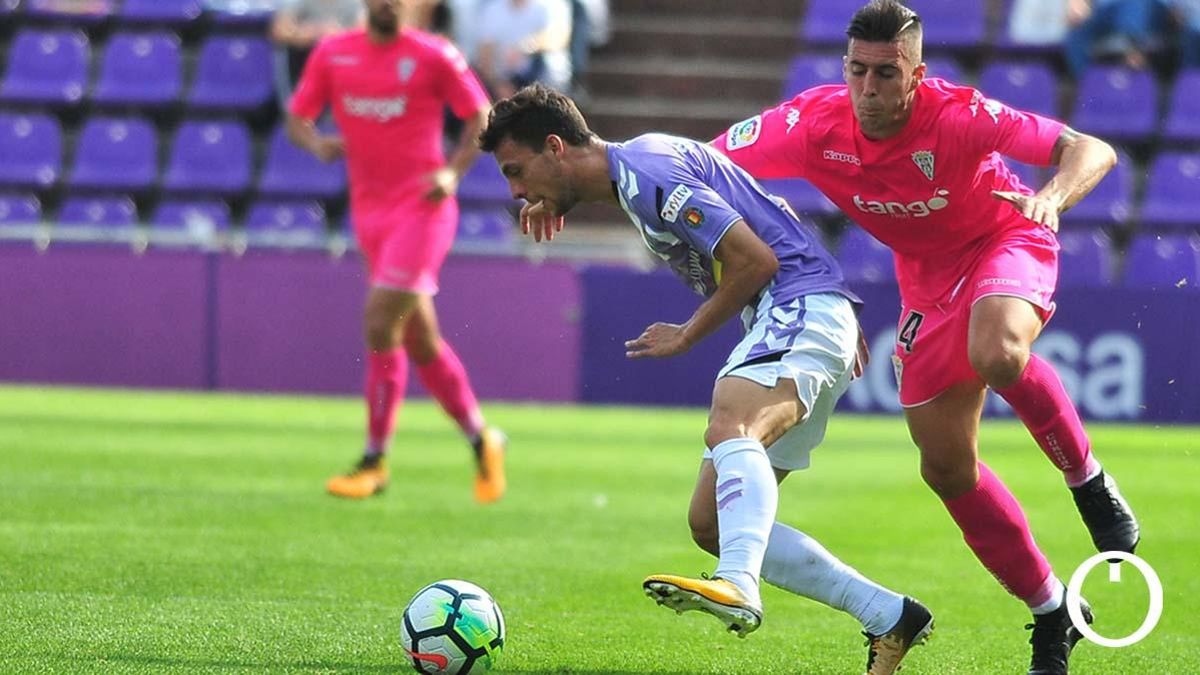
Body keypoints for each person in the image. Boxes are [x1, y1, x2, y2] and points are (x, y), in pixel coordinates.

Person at [708, 2, 1138, 673]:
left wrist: (1051, 197)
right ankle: (1053, 610)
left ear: (917, 74)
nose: (870, 89)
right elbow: (696, 166)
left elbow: (1092, 149)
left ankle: (1089, 481)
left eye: (887, 73)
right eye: (858, 71)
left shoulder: (960, 114)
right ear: (844, 68)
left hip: (1003, 237)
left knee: (996, 352)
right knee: (944, 466)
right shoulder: (810, 123)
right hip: (926, 285)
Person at [479, 83, 934, 675]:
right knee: (712, 522)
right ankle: (888, 615)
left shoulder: (647, 172)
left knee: (731, 421)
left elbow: (757, 259)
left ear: (556, 147)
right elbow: (764, 211)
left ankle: (740, 584)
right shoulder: (637, 173)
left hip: (795, 305)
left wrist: (689, 333)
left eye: (518, 171)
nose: (516, 192)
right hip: (807, 311)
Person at [286, 0, 507, 503]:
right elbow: (298, 116)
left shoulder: (434, 54)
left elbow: (480, 115)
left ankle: (374, 459)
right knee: (420, 341)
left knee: (380, 319)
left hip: (423, 208)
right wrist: (316, 143)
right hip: (370, 214)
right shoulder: (333, 53)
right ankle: (482, 438)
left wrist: (452, 172)